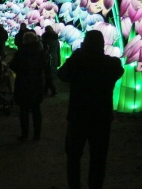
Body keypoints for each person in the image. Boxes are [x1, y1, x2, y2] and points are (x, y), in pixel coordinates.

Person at [57, 30, 124, 189]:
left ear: (84, 43)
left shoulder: (77, 62)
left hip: (78, 116)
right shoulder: (111, 64)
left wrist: (77, 55)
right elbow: (119, 71)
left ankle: (74, 186)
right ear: (102, 45)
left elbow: (61, 74)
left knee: (73, 156)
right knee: (98, 158)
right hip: (101, 118)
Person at [8, 31, 48, 141]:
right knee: (36, 110)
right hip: (37, 83)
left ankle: (25, 134)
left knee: (24, 110)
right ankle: (37, 135)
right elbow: (45, 67)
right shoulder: (41, 52)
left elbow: (13, 65)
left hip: (23, 83)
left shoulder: (20, 52)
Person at [41, 25, 60, 96]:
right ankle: (46, 90)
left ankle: (52, 90)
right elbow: (58, 50)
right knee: (50, 74)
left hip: (47, 57)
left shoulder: (45, 38)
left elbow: (43, 49)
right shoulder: (56, 38)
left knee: (48, 74)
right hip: (54, 57)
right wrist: (58, 60)